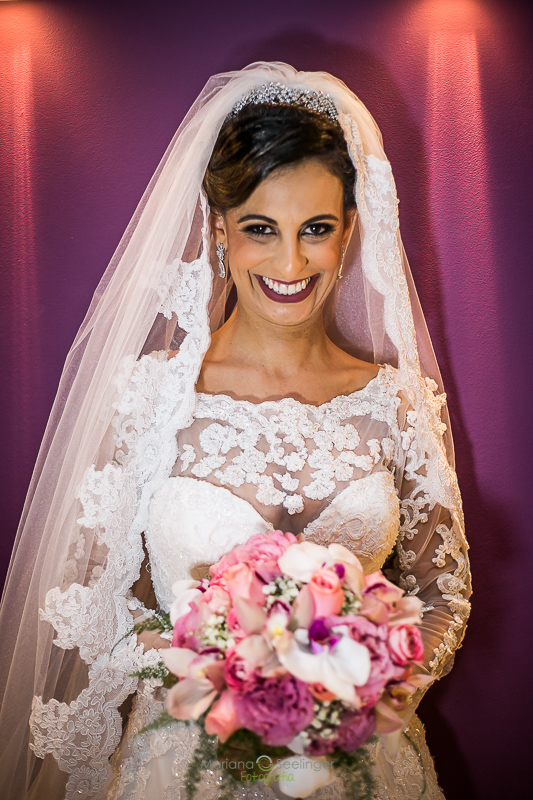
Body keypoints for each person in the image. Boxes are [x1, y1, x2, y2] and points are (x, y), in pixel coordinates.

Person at [0, 62, 472, 800]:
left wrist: (372, 686)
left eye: (315, 229)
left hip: (364, 765)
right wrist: (218, 672)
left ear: (350, 230)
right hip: (184, 763)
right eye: (260, 229)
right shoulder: (150, 394)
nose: (289, 262)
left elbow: (442, 591)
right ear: (218, 228)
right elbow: (92, 601)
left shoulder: (397, 401)